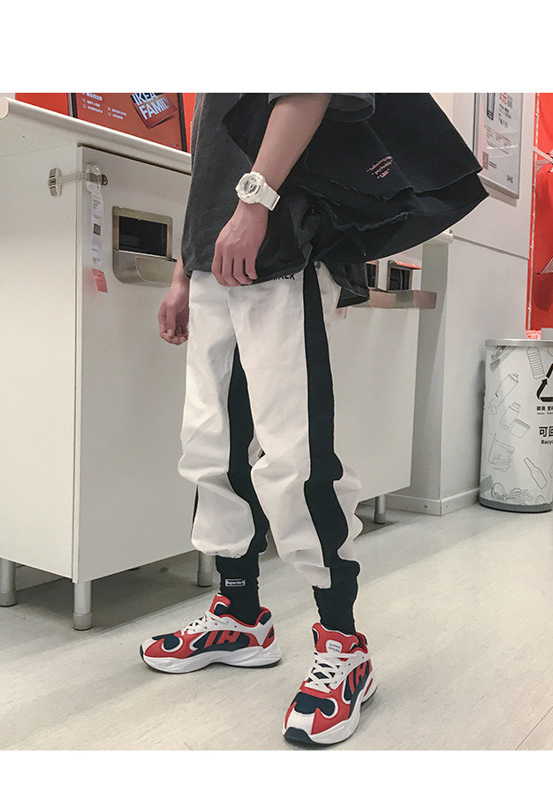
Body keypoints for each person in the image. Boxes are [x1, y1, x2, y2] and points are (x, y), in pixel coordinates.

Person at [139, 93, 378, 746]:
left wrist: (255, 202)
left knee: (296, 454)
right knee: (212, 445)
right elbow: (211, 161)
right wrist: (184, 272)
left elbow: (309, 87)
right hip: (215, 255)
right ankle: (240, 614)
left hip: (284, 238)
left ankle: (345, 645)